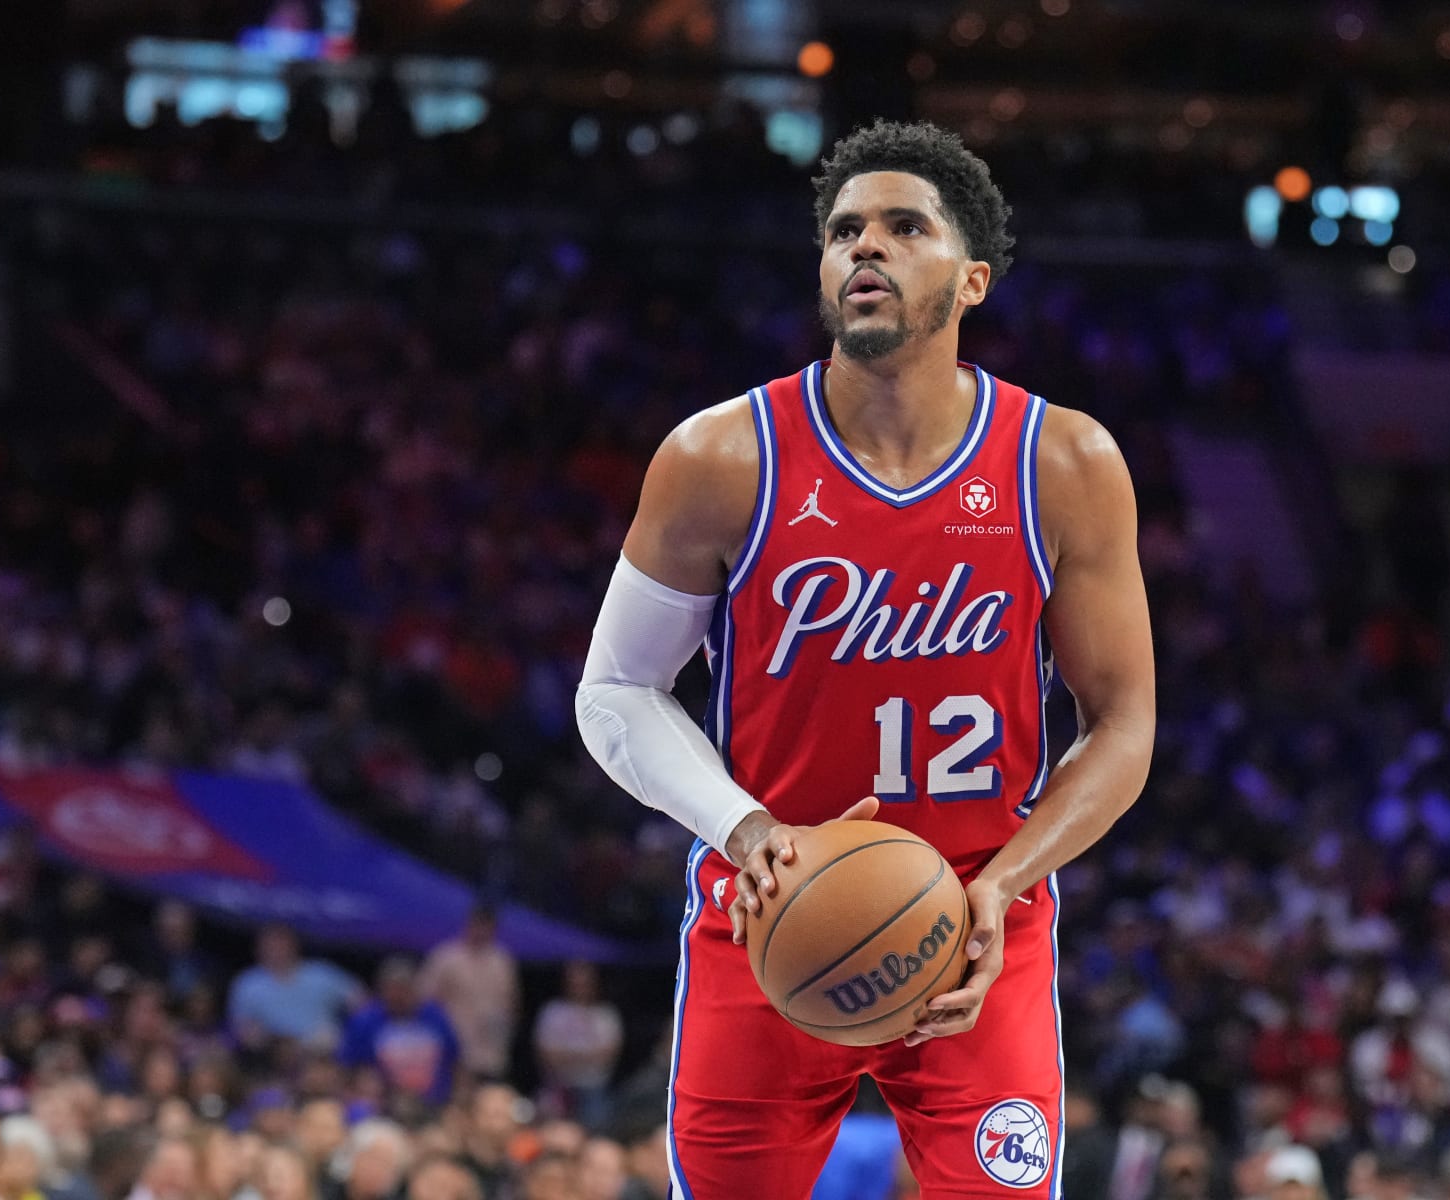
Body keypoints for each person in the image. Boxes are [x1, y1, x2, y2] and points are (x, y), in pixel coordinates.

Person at [576, 118, 1155, 1196]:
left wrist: (1010, 883)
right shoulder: (720, 456)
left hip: (983, 934)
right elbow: (615, 692)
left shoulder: (1064, 461)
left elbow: (1122, 725)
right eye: (844, 231)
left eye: (902, 227)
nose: (864, 248)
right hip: (768, 922)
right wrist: (745, 829)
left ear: (973, 278)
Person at [341, 958, 461, 1111]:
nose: (398, 996)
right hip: (382, 1106)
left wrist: (458, 1099)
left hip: (435, 1105)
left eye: (404, 988)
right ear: (381, 990)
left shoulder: (435, 1016)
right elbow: (348, 1066)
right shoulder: (365, 1020)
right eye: (392, 989)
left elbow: (456, 1059)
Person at [417, 906, 518, 1081]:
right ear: (469, 924)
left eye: (487, 927)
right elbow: (425, 1000)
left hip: (491, 1054)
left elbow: (511, 1003)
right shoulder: (445, 957)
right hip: (454, 1053)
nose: (482, 931)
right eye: (478, 925)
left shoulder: (502, 961)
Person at [225, 926, 363, 1054]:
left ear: (295, 946)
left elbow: (360, 1000)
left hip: (320, 1047)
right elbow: (240, 1025)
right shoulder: (248, 983)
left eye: (281, 945)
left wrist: (350, 1029)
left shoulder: (320, 973)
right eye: (270, 945)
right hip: (272, 1049)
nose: (276, 950)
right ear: (258, 949)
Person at [532, 961, 622, 1129]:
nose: (579, 987)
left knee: (596, 1134)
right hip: (558, 1087)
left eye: (584, 983)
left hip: (595, 1089)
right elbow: (547, 1053)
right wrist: (588, 1055)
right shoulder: (553, 1012)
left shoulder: (606, 1015)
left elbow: (608, 1054)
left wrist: (567, 1055)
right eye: (574, 983)